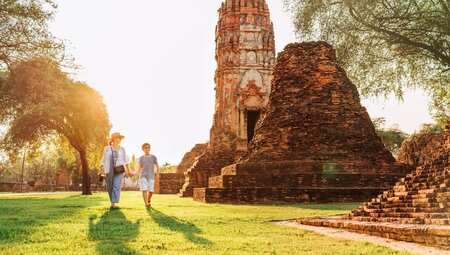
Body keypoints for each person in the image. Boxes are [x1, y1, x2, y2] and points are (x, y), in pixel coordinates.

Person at [100, 132, 132, 209]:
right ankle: (112, 201)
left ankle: (113, 203)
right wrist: (100, 170)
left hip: (119, 169)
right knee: (109, 187)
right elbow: (103, 160)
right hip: (109, 169)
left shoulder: (122, 149)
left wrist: (129, 170)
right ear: (114, 139)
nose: (120, 139)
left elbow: (126, 160)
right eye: (118, 138)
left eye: (120, 138)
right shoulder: (107, 149)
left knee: (116, 186)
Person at [133, 142, 159, 208]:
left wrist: (157, 174)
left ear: (150, 148)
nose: (147, 149)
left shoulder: (153, 157)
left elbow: (157, 166)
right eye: (146, 147)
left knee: (151, 191)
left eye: (148, 147)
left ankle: (148, 200)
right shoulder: (141, 158)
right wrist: (134, 173)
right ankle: (146, 204)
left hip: (151, 176)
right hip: (143, 176)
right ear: (143, 149)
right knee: (144, 189)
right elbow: (139, 168)